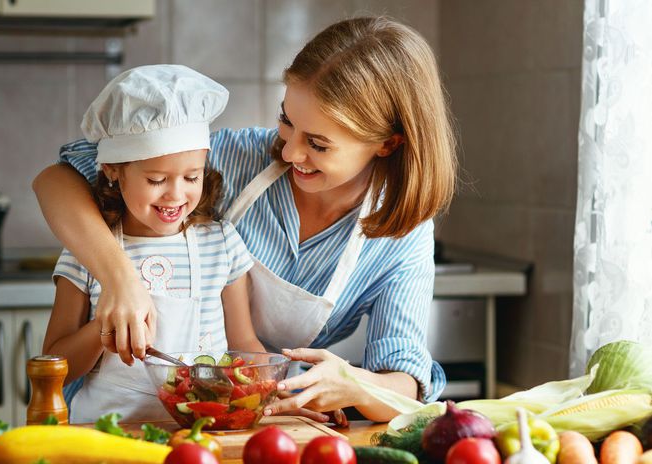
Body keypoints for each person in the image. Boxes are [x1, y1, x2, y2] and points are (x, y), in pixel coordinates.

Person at [34, 16, 457, 423]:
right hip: (103, 414)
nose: (290, 153)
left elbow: (405, 380)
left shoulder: (402, 234)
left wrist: (354, 384)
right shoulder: (237, 158)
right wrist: (120, 280)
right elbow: (57, 179)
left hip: (252, 414)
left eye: (318, 144)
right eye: (287, 121)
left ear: (386, 144)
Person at [42, 64, 264, 423]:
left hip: (197, 437)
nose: (176, 195)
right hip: (105, 437)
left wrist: (271, 390)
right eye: (156, 179)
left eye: (192, 176)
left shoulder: (220, 244)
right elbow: (57, 366)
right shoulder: (87, 251)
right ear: (114, 170)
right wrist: (104, 331)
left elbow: (245, 346)